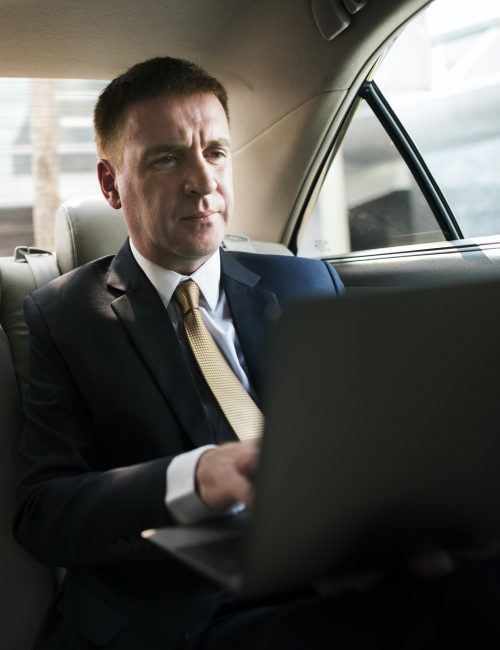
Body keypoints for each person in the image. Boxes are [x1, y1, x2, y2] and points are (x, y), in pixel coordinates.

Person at [13, 57, 500, 650]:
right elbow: (42, 512)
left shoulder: (306, 282)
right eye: (167, 157)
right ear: (112, 184)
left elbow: (362, 449)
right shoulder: (63, 316)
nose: (203, 180)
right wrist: (198, 476)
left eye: (215, 152)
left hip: (332, 573)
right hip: (184, 614)